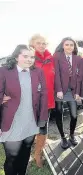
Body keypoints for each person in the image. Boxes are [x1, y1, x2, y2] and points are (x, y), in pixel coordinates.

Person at [0, 45, 48, 175]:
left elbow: (44, 94)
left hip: (30, 120)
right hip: (11, 121)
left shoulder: (38, 72)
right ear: (16, 57)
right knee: (12, 157)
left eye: (32, 57)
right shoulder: (4, 71)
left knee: (25, 153)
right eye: (25, 56)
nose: (29, 59)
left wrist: (42, 118)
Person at [29, 34, 55, 167]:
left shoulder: (51, 58)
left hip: (49, 98)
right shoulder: (30, 59)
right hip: (34, 100)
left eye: (44, 43)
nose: (42, 45)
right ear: (32, 44)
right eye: (38, 43)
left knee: (44, 125)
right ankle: (36, 154)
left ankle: (39, 147)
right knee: (36, 126)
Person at [54, 37, 81, 149]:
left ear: (74, 47)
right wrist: (59, 89)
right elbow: (56, 74)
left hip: (72, 90)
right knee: (59, 113)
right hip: (59, 89)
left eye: (71, 45)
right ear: (63, 45)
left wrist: (78, 92)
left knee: (74, 115)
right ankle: (62, 137)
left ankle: (71, 135)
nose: (69, 47)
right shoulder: (57, 57)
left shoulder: (77, 58)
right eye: (67, 44)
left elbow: (79, 77)